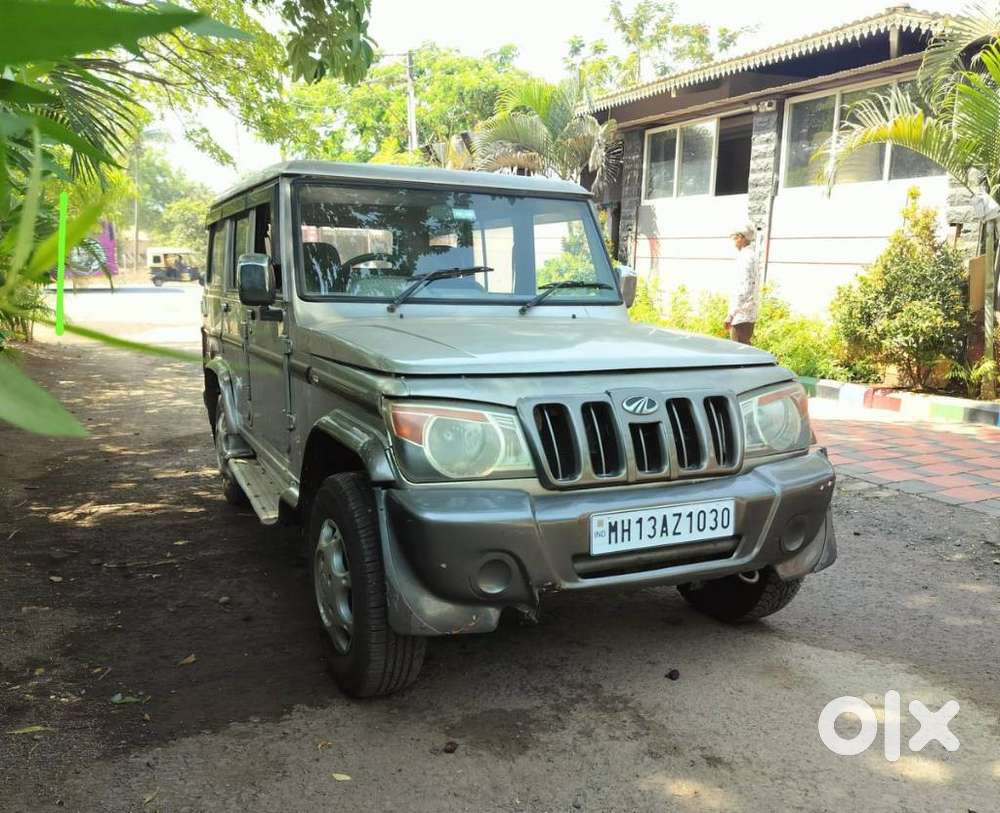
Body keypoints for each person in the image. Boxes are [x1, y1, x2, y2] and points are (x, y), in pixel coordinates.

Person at [725, 224, 760, 344]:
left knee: (737, 353)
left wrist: (731, 314)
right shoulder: (751, 255)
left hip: (741, 315)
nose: (733, 240)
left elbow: (744, 288)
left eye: (735, 237)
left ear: (742, 238)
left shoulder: (745, 257)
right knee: (744, 350)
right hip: (747, 314)